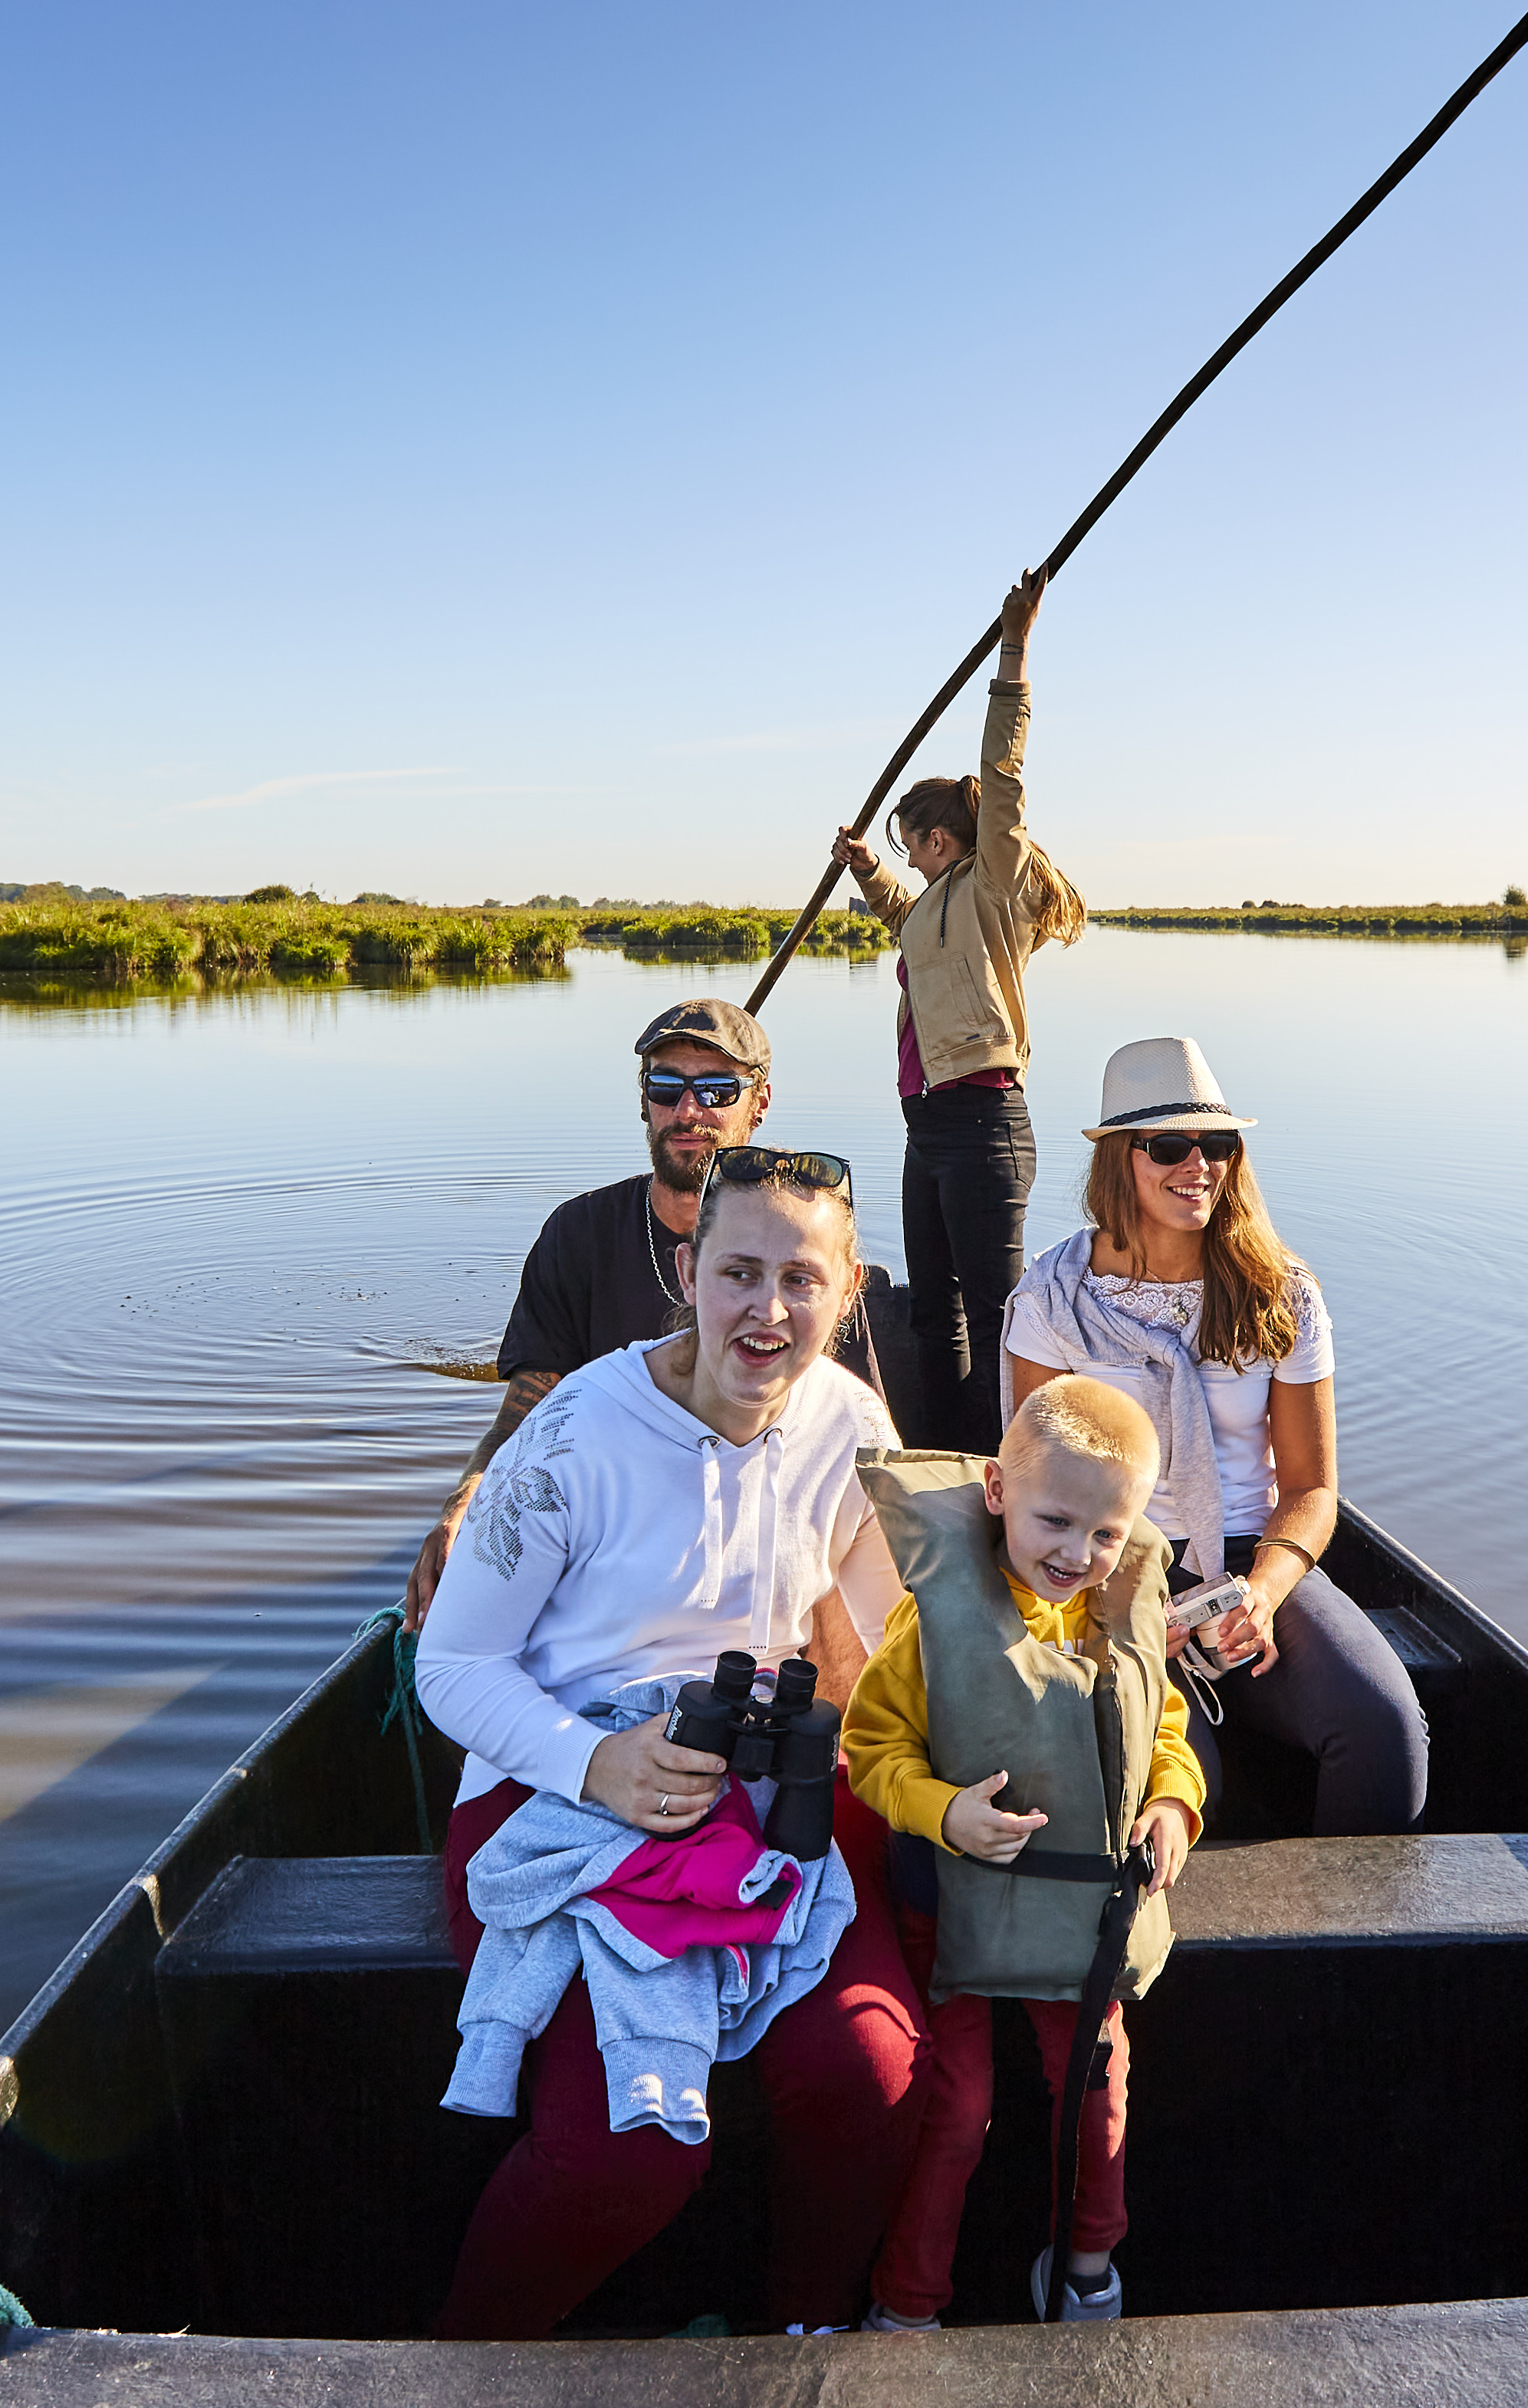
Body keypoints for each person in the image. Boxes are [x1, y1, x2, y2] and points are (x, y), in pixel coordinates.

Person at [410, 1147, 925, 2337]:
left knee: (874, 2079)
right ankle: (463, 2364)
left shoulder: (852, 1421)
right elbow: (454, 1666)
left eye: (803, 1280)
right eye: (739, 1272)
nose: (768, 1310)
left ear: (848, 1291)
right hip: (558, 1783)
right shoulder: (575, 1431)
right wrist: (600, 1763)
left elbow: (878, 1638)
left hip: (760, 1777)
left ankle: (801, 2334)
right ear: (688, 1271)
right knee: (626, 2159)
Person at [840, 1378, 1201, 2331]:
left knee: (1098, 2091)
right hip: (953, 1915)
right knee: (954, 2109)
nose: (1076, 1554)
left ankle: (1084, 2263)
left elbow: (1161, 1728)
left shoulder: (1114, 1617)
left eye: (1105, 1536)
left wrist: (1172, 1804)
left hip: (1077, 1925)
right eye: (1054, 1521)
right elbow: (872, 1751)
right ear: (995, 1490)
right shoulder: (934, 1622)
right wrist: (942, 1810)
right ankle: (907, 2298)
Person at [1004, 1035, 1427, 1835]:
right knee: (1176, 1772)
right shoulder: (1053, 1300)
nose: (1196, 1164)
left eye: (1217, 1144)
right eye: (1168, 1144)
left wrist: (1260, 1597)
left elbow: (1308, 1490)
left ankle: (1344, 1952)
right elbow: (1032, 1492)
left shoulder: (1282, 1294)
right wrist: (1118, 1606)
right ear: (1118, 1160)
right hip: (1106, 1563)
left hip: (1246, 1559)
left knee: (1383, 1731)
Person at [404, 997, 880, 1621]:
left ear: (758, 1104)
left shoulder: (801, 1244)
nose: (688, 1111)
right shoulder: (579, 1234)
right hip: (608, 1529)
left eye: (715, 1089)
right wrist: (473, 1491)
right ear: (643, 1101)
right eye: (666, 1086)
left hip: (762, 1526)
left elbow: (860, 1448)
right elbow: (531, 1402)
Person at [830, 569, 1089, 1449]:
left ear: (942, 840)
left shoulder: (987, 884)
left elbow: (1001, 771)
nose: (906, 857)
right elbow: (902, 921)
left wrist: (1014, 649)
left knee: (992, 1313)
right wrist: (866, 868)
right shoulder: (934, 913)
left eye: (908, 845)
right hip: (926, 1125)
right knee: (931, 1308)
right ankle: (939, 1464)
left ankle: (1002, 1469)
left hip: (984, 1122)